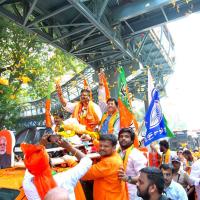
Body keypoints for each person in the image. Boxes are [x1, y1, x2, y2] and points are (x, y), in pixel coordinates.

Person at [22, 135, 92, 200]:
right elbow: (87, 161)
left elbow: (31, 162)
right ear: (48, 162)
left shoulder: (27, 184)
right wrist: (69, 147)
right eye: (47, 155)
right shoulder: (64, 178)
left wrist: (41, 145)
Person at [81, 134, 128, 200]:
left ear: (114, 148)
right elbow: (102, 146)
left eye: (106, 146)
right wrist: (92, 139)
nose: (102, 148)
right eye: (101, 145)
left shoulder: (109, 162)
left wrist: (71, 160)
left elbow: (84, 173)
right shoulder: (113, 154)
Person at [117, 128, 147, 199]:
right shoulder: (116, 153)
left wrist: (127, 178)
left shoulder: (136, 155)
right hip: (117, 193)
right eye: (121, 136)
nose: (123, 138)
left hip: (132, 195)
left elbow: (143, 177)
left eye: (127, 136)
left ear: (132, 140)